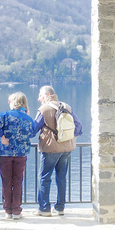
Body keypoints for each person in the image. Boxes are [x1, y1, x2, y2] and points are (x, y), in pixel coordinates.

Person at [34, 85, 83, 216]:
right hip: (66, 148)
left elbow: (34, 129)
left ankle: (44, 209)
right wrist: (71, 139)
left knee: (44, 177)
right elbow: (78, 125)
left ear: (48, 95)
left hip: (50, 149)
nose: (39, 99)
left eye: (41, 96)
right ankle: (60, 207)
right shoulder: (66, 107)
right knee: (61, 177)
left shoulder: (43, 109)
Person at [0, 92, 38, 220]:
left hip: (5, 153)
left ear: (13, 102)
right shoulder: (28, 118)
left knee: (6, 181)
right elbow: (32, 132)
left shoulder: (5, 115)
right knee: (18, 181)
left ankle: (7, 211)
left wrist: (2, 136)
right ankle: (17, 210)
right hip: (21, 154)